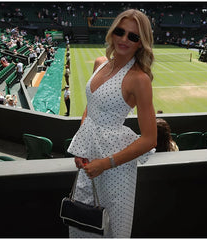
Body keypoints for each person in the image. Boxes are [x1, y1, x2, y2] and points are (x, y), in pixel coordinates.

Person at [67, 9, 157, 238]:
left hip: (115, 165)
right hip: (89, 160)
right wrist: (80, 149)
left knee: (112, 227)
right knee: (82, 222)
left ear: (141, 43)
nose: (124, 39)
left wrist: (105, 164)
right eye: (120, 31)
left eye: (133, 36)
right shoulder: (99, 63)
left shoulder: (139, 79)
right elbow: (90, 108)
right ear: (112, 32)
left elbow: (149, 139)